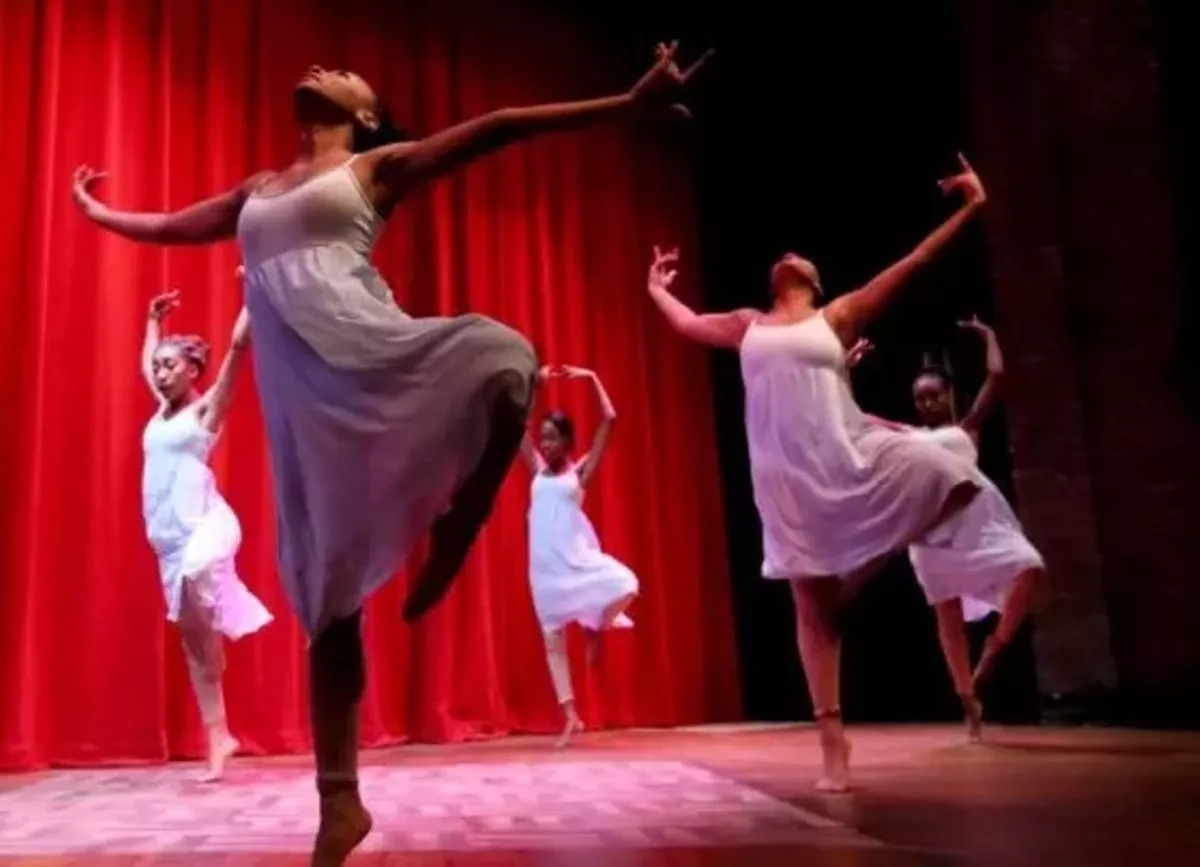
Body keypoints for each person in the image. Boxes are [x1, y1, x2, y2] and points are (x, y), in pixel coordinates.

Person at [72, 42, 709, 865]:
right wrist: (97, 215)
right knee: (327, 600)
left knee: (507, 358)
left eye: (341, 71)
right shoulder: (257, 191)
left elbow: (500, 127)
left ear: (366, 114)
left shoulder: (376, 168)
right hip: (309, 415)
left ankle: (468, 508)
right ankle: (340, 802)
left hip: (373, 355)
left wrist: (625, 105)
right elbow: (168, 225)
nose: (320, 67)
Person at [645, 154, 988, 792]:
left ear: (817, 280)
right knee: (810, 611)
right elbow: (690, 324)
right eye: (783, 254)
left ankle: (857, 569)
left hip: (844, 459)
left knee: (952, 473)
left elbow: (913, 264)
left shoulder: (838, 317)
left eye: (801, 255)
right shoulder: (749, 323)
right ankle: (833, 745)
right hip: (784, 482)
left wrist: (971, 208)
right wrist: (658, 288)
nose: (789, 253)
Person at [848, 318, 1046, 741]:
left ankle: (994, 648)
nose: (927, 403)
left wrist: (989, 335)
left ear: (948, 394)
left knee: (1029, 566)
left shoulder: (965, 429)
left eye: (934, 395)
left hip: (977, 519)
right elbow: (856, 420)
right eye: (920, 398)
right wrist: (846, 370)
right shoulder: (907, 436)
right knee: (948, 615)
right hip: (932, 529)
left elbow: (997, 376)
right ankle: (967, 698)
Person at [140, 286, 273, 782]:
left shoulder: (205, 412)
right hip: (168, 542)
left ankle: (219, 631)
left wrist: (252, 296)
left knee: (200, 571)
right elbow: (143, 363)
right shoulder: (159, 412)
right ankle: (219, 737)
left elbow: (237, 353)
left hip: (208, 525)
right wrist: (152, 323)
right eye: (158, 366)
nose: (159, 372)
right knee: (194, 650)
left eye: (169, 366)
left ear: (193, 371)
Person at [521, 365, 637, 748]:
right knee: (552, 641)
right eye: (544, 439)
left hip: (574, 563)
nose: (547, 445)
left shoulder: (579, 473)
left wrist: (590, 376)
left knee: (627, 583)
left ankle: (598, 623)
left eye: (554, 439)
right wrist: (536, 386)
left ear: (568, 443)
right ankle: (571, 716)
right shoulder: (537, 471)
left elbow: (611, 419)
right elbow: (520, 428)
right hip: (543, 570)